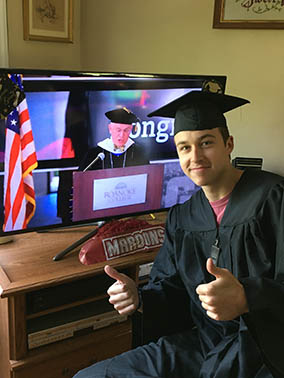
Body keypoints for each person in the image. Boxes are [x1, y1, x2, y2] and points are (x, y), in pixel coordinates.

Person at [73, 88, 284, 378]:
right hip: (203, 342)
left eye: (206, 142)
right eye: (184, 147)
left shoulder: (274, 198)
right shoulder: (182, 217)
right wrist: (139, 298)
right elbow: (170, 288)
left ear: (229, 144)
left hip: (265, 347)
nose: (195, 156)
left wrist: (248, 296)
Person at [79, 107, 148, 171]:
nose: (121, 135)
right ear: (110, 129)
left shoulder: (138, 152)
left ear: (131, 130)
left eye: (126, 130)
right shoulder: (94, 154)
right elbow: (82, 177)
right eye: (118, 130)